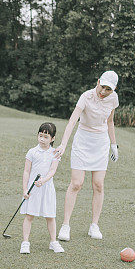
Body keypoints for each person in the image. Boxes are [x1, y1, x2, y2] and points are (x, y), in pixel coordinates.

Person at [53, 71, 119, 241]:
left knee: (98, 185)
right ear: (98, 82)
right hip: (83, 141)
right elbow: (72, 121)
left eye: (108, 89)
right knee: (76, 183)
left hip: (101, 143)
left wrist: (114, 145)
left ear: (114, 89)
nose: (103, 91)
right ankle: (65, 225)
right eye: (102, 87)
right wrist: (63, 144)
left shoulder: (113, 98)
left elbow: (110, 122)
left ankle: (94, 225)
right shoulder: (86, 96)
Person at [19, 122, 65, 254]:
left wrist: (43, 181)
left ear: (52, 138)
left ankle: (53, 242)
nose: (42, 139)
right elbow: (26, 171)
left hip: (47, 188)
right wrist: (24, 189)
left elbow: (52, 170)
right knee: (29, 215)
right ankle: (25, 242)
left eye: (46, 137)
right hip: (32, 189)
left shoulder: (55, 153)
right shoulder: (32, 152)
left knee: (50, 216)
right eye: (40, 136)